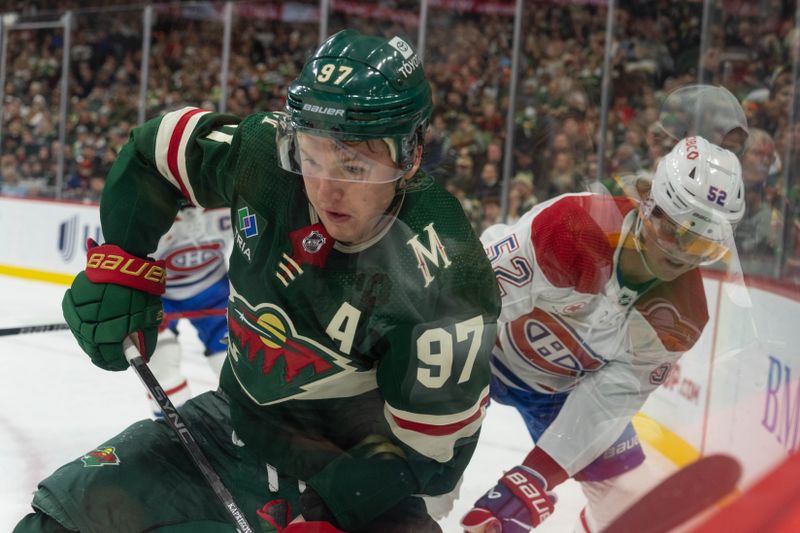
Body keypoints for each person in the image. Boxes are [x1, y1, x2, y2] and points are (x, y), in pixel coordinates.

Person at [15, 30, 501, 533]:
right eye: (311, 156)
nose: (326, 189)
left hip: (349, 474)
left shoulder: (447, 277)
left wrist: (335, 514)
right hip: (235, 422)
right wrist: (120, 260)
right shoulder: (264, 157)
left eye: (354, 164)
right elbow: (154, 151)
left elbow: (428, 454)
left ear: (410, 156)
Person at [461, 136, 745, 533]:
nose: (683, 254)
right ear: (651, 206)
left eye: (701, 243)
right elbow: (463, 309)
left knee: (629, 505)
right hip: (480, 352)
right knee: (415, 461)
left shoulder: (684, 315)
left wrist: (535, 478)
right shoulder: (573, 227)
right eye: (679, 231)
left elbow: (605, 402)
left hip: (557, 391)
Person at [146, 205, 232, 416]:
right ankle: (176, 433)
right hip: (159, 296)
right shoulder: (148, 209)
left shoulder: (232, 202)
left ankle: (240, 426)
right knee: (162, 363)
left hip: (215, 295)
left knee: (234, 364)